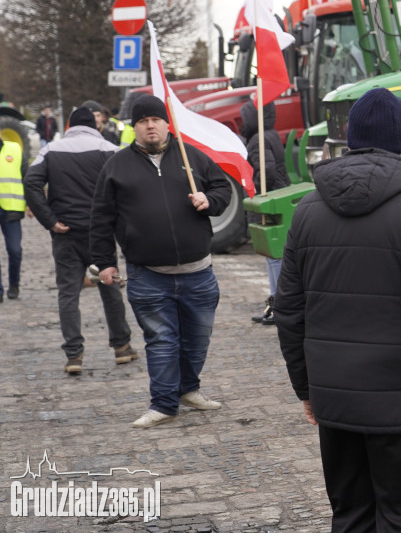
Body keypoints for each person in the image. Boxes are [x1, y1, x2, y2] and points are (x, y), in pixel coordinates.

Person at [275, 87, 401, 532]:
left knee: (350, 516)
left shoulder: (309, 209)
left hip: (338, 396)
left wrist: (307, 387)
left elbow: (289, 310)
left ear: (350, 141)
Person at [91, 94, 231, 429]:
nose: (150, 126)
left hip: (198, 272)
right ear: (134, 128)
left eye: (155, 119)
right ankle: (164, 403)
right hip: (148, 274)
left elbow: (224, 190)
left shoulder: (192, 156)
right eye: (142, 121)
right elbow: (101, 218)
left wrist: (208, 200)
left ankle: (188, 389)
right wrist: (105, 262)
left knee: (197, 339)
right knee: (162, 341)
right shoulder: (117, 166)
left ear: (167, 123)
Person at [25, 106, 138, 374]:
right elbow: (128, 187)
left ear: (69, 127)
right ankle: (122, 347)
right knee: (109, 288)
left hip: (65, 233)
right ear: (95, 126)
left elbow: (31, 183)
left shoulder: (51, 150)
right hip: (99, 234)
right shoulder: (109, 149)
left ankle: (74, 355)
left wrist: (50, 220)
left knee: (68, 293)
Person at [240, 99, 289, 325]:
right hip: (278, 198)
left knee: (273, 256)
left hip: (270, 202)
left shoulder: (258, 139)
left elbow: (266, 169)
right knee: (274, 255)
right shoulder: (270, 135)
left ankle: (279, 305)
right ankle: (274, 303)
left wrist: (259, 195)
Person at [0, 134, 29, 302]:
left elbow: (27, 177)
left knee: (15, 250)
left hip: (11, 208)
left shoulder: (14, 149)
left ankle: (14, 283)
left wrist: (31, 203)